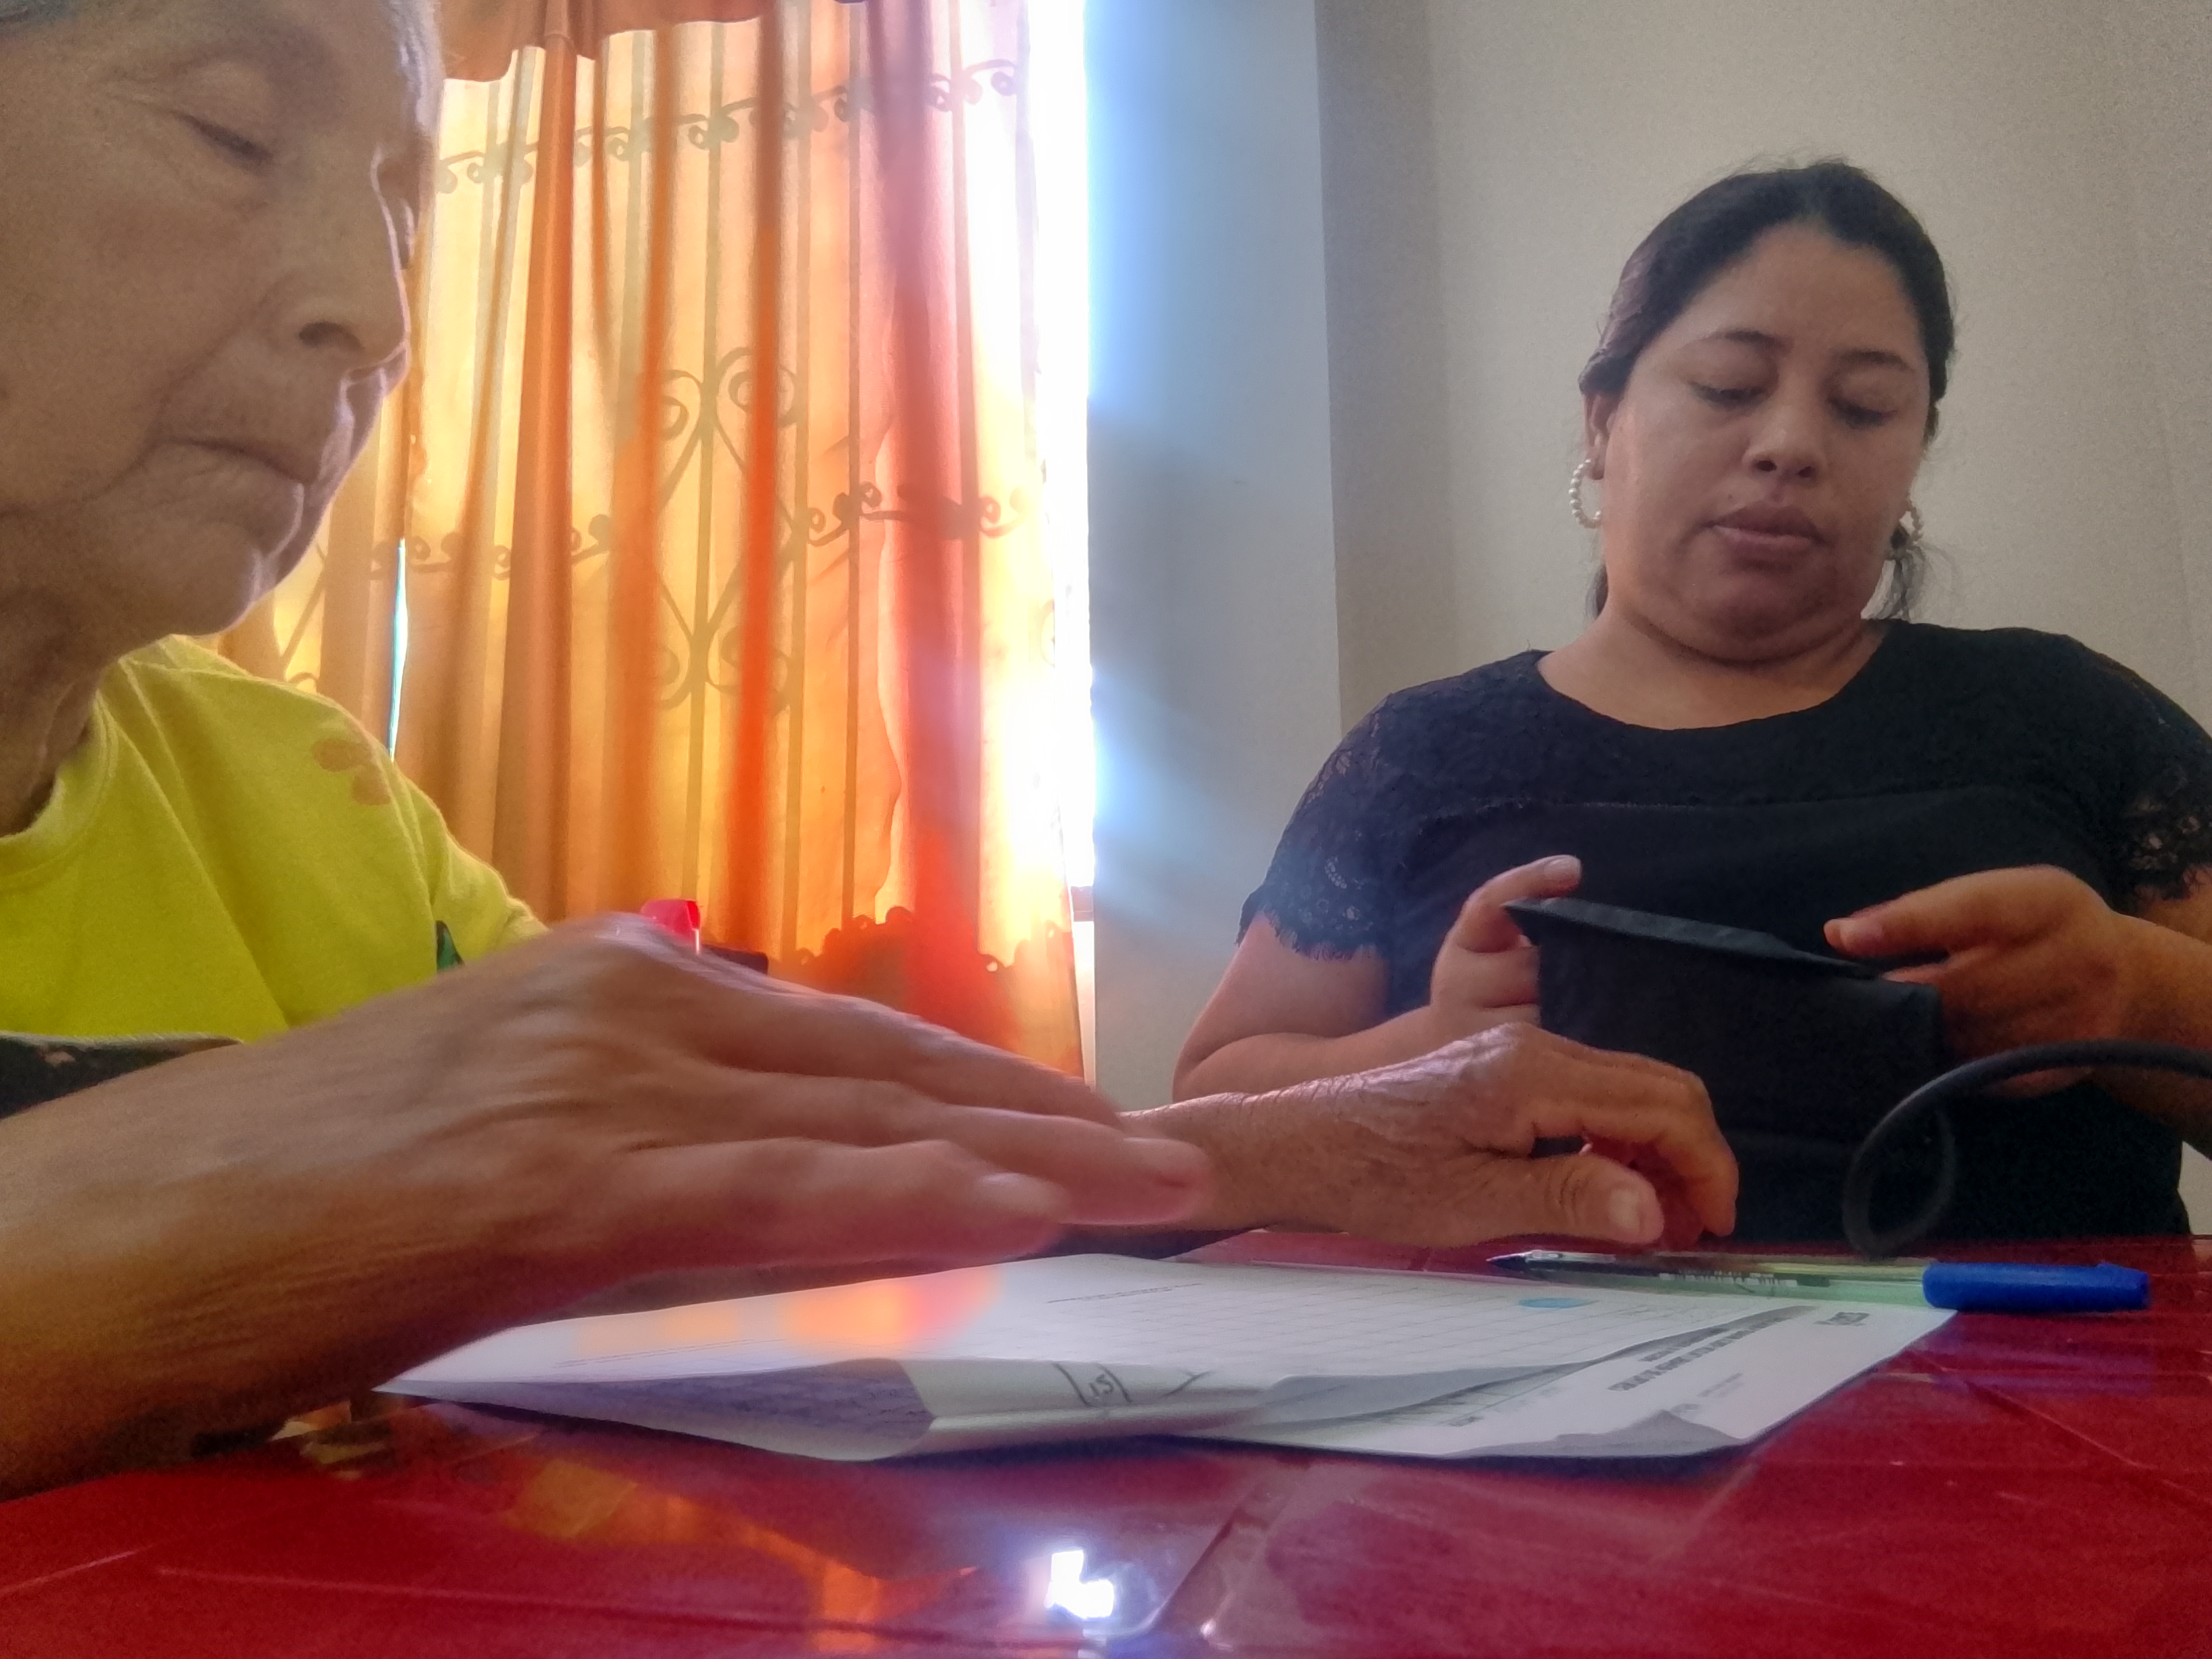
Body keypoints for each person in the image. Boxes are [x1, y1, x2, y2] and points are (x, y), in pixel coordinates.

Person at [0, 0, 1734, 1497]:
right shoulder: (1436, 747)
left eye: (404, 212)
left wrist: (1310, 1150)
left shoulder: (307, 794)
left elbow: (650, 1216)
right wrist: (212, 1189)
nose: (373, 314)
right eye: (232, 134)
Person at [1178, 161, 2212, 1242]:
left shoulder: (2064, 713)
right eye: (1727, 386)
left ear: (1915, 458)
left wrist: (2137, 993)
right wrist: (1430, 1049)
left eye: (1864, 408)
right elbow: (1211, 1103)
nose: (1791, 445)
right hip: (1527, 1352)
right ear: (1602, 422)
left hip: (2038, 1350)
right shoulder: (1422, 752)